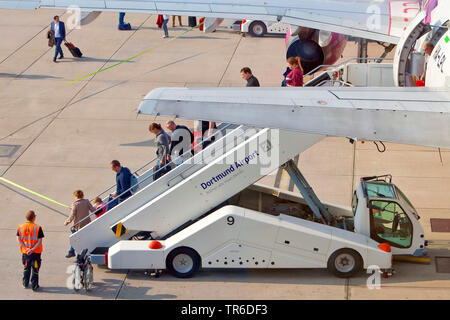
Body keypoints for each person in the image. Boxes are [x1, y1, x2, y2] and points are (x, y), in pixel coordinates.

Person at [17, 210, 44, 291]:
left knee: (26, 267)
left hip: (26, 253)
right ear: (34, 218)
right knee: (35, 269)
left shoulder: (20, 227)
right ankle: (34, 285)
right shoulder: (38, 227)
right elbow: (39, 241)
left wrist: (26, 249)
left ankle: (25, 283)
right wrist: (32, 249)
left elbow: (19, 239)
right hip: (35, 253)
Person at [64, 190, 96, 258]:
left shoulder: (74, 204)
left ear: (76, 196)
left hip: (78, 225)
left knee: (75, 240)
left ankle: (74, 253)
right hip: (86, 223)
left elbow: (72, 215)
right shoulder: (86, 201)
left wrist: (67, 221)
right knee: (80, 240)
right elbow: (93, 210)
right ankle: (72, 252)